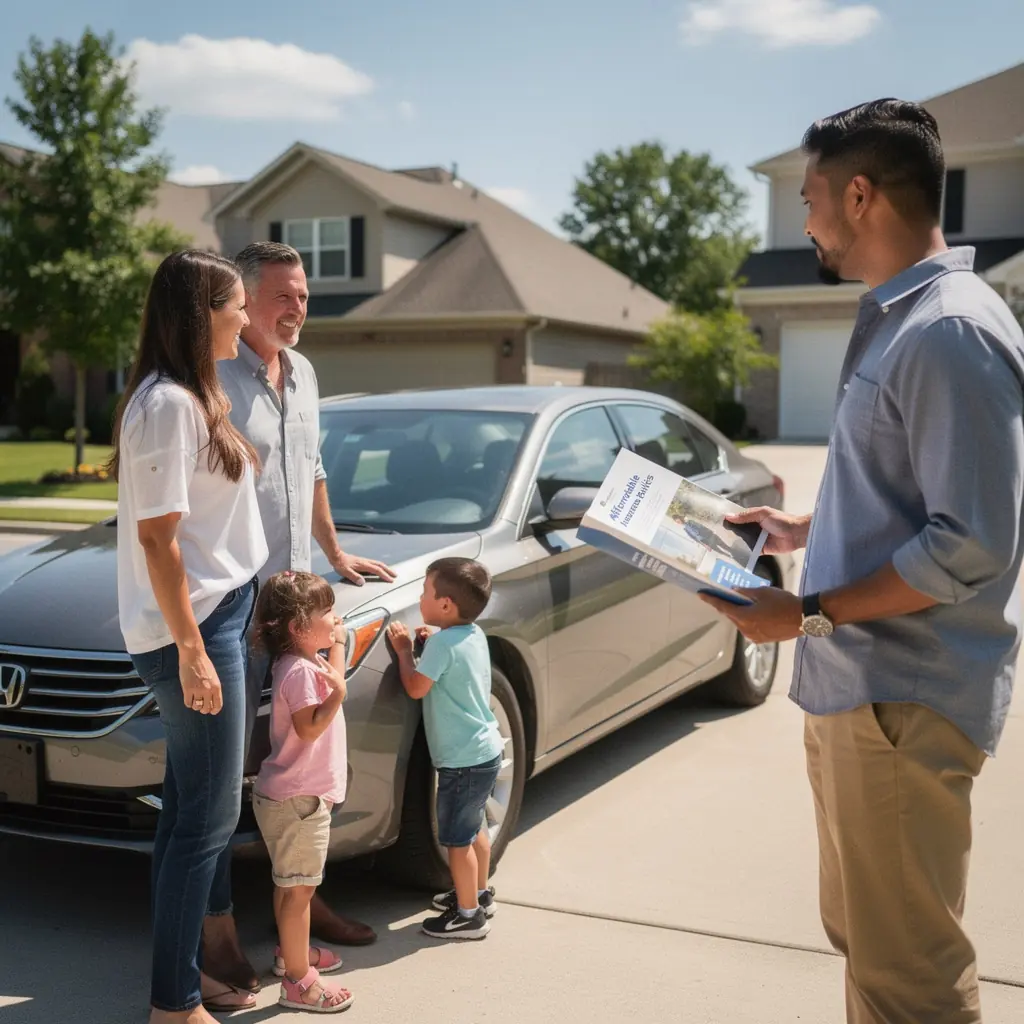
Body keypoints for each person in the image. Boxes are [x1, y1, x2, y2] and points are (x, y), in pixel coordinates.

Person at [700, 99, 1024, 1023]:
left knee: (909, 977)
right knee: (871, 948)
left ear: (858, 194)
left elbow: (970, 544)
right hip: (863, 697)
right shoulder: (902, 321)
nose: (803, 221)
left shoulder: (950, 330)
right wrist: (807, 527)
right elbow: (913, 494)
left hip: (902, 703)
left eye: (808, 199)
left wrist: (803, 613)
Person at [205, 241, 396, 989]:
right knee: (226, 782)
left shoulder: (307, 373)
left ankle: (304, 903)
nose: (298, 309)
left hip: (294, 608)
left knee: (304, 768)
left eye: (305, 296)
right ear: (244, 300)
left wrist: (337, 555)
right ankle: (216, 933)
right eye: (284, 296)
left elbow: (309, 467)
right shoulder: (212, 376)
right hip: (232, 613)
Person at [111, 250, 269, 1023]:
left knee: (187, 817)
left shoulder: (189, 398)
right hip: (199, 630)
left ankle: (183, 984)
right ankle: (172, 1007)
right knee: (205, 824)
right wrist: (195, 650)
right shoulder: (168, 404)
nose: (247, 316)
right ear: (200, 312)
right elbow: (156, 540)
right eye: (236, 304)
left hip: (222, 614)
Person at [250, 571, 355, 1013]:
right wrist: (339, 696)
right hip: (300, 802)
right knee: (301, 891)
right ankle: (299, 982)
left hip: (291, 796)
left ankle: (289, 953)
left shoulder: (300, 663)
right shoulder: (299, 673)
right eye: (326, 612)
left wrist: (339, 646)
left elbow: (330, 670)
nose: (335, 618)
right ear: (297, 628)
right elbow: (309, 728)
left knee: (287, 885)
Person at [387, 557, 503, 940]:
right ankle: (480, 894)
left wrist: (406, 651)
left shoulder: (440, 645)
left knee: (456, 841)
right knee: (476, 829)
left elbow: (417, 688)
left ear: (446, 606)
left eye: (424, 592)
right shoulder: (472, 634)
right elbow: (453, 668)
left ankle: (468, 916)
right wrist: (427, 643)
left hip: (460, 761)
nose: (420, 598)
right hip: (485, 750)